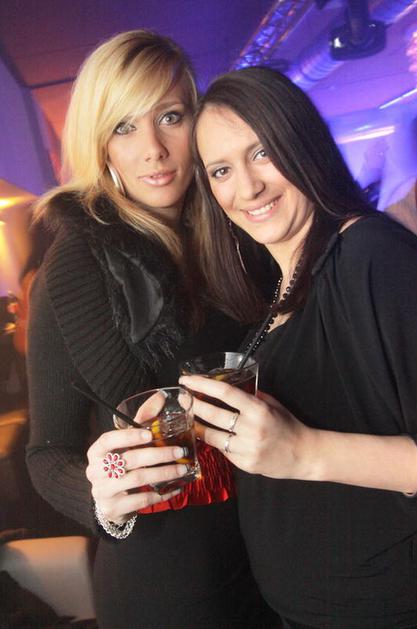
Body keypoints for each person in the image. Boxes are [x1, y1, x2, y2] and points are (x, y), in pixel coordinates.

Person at [26, 33, 278, 629]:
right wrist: (103, 499)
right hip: (172, 578)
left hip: (281, 548)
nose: (153, 150)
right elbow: (47, 453)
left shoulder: (243, 226)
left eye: (170, 117)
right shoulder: (76, 266)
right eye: (124, 127)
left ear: (197, 120)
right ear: (100, 144)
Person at [179, 66, 417, 628]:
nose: (247, 188)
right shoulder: (280, 289)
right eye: (221, 170)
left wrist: (304, 450)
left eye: (262, 153)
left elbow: (300, 449)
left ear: (302, 143)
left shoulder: (370, 255)